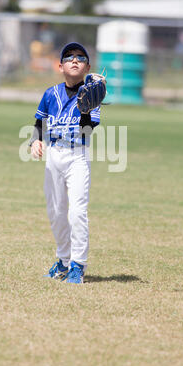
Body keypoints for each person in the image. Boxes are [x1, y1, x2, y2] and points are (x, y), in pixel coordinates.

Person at [29, 42, 104, 284]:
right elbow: (39, 123)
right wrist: (35, 141)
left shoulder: (92, 94)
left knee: (77, 212)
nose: (74, 60)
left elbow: (87, 130)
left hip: (77, 156)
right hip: (54, 155)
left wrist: (85, 108)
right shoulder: (50, 93)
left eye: (80, 57)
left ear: (87, 67)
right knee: (56, 212)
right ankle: (63, 260)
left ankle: (77, 265)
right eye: (69, 57)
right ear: (60, 66)